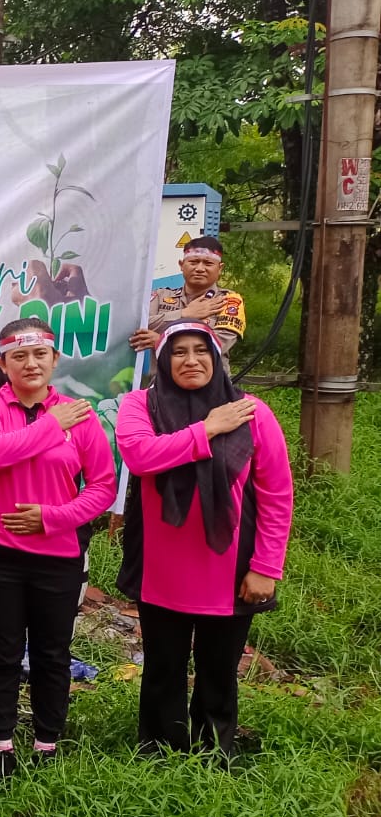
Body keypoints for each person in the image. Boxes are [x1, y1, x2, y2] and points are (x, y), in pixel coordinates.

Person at [115, 321, 292, 757]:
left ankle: (215, 750)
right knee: (163, 664)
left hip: (230, 567)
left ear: (216, 357)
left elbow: (276, 493)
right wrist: (208, 429)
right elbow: (140, 457)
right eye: (179, 352)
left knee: (219, 667)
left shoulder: (251, 411)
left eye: (200, 351)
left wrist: (266, 567)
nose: (190, 360)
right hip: (162, 565)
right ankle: (160, 749)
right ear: (163, 360)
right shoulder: (141, 405)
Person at [0, 317, 116, 777]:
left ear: (54, 359)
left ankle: (47, 743)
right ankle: (4, 745)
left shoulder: (80, 415)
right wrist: (51, 424)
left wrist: (53, 518)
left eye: (39, 355)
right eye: (19, 356)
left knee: (53, 652)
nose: (30, 364)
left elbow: (104, 486)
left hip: (60, 556)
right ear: (3, 363)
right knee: (2, 650)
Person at [130, 236, 245, 360]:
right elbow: (136, 327)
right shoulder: (160, 295)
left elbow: (217, 344)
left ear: (220, 268)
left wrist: (161, 340)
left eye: (208, 263)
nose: (200, 269)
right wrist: (184, 314)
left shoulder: (228, 301)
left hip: (208, 379)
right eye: (193, 262)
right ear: (181, 265)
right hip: (162, 378)